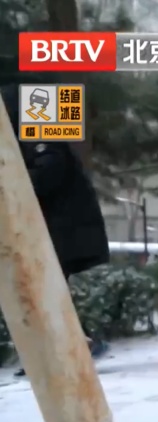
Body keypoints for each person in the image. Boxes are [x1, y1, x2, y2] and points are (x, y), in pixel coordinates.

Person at [1, 84, 111, 375]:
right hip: (49, 224)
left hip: (60, 225)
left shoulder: (34, 108)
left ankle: (71, 347)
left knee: (43, 283)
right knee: (41, 285)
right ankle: (67, 346)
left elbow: (52, 167)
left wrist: (12, 189)